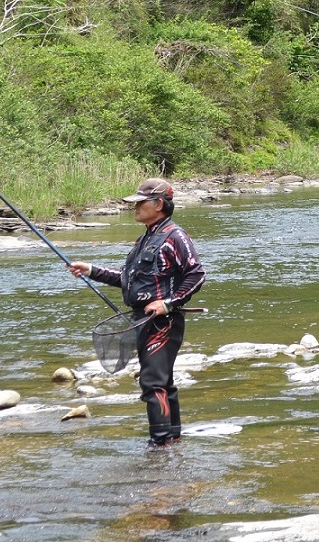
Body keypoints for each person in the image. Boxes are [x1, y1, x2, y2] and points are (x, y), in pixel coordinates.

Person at [69, 178, 205, 447]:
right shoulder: (146, 238)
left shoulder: (175, 236)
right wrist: (91, 270)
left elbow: (196, 274)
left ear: (158, 205)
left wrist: (167, 303)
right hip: (142, 320)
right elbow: (128, 279)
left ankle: (160, 443)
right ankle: (172, 440)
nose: (135, 207)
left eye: (140, 203)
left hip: (163, 322)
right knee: (162, 383)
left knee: (153, 383)